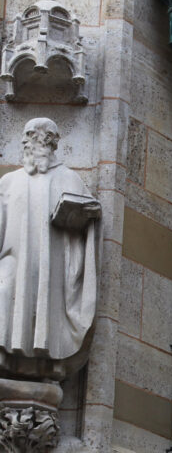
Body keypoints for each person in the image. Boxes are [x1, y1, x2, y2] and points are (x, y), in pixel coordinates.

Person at [0, 118, 100, 380]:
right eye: (31, 138)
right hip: (11, 260)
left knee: (46, 301)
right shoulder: (8, 182)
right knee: (6, 293)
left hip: (52, 263)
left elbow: (86, 224)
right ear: (25, 142)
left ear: (54, 144)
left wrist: (87, 216)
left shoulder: (70, 179)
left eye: (44, 139)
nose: (36, 144)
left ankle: (47, 361)